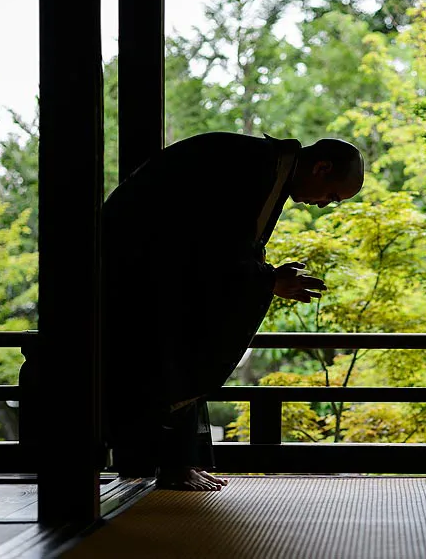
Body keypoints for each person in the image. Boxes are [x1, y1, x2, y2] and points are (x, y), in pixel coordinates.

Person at [101, 132, 364, 491]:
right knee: (174, 355)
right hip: (134, 268)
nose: (323, 205)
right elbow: (212, 247)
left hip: (152, 269)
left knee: (178, 354)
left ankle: (175, 463)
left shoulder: (262, 164)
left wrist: (264, 278)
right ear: (321, 167)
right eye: (332, 195)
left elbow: (222, 247)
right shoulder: (252, 165)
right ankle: (165, 464)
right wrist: (268, 281)